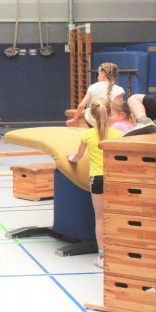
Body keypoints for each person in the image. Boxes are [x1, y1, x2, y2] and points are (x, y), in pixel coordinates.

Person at [66, 98, 123, 269]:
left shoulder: (87, 135)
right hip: (113, 179)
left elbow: (77, 156)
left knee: (100, 218)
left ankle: (102, 256)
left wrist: (70, 157)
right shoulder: (118, 135)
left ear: (92, 115)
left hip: (97, 179)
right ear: (109, 114)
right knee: (114, 216)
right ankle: (118, 253)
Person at [66, 62, 124, 128]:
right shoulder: (119, 90)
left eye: (98, 74)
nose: (98, 76)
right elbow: (118, 108)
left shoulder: (93, 87)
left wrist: (75, 119)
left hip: (92, 120)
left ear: (103, 74)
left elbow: (82, 105)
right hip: (108, 121)